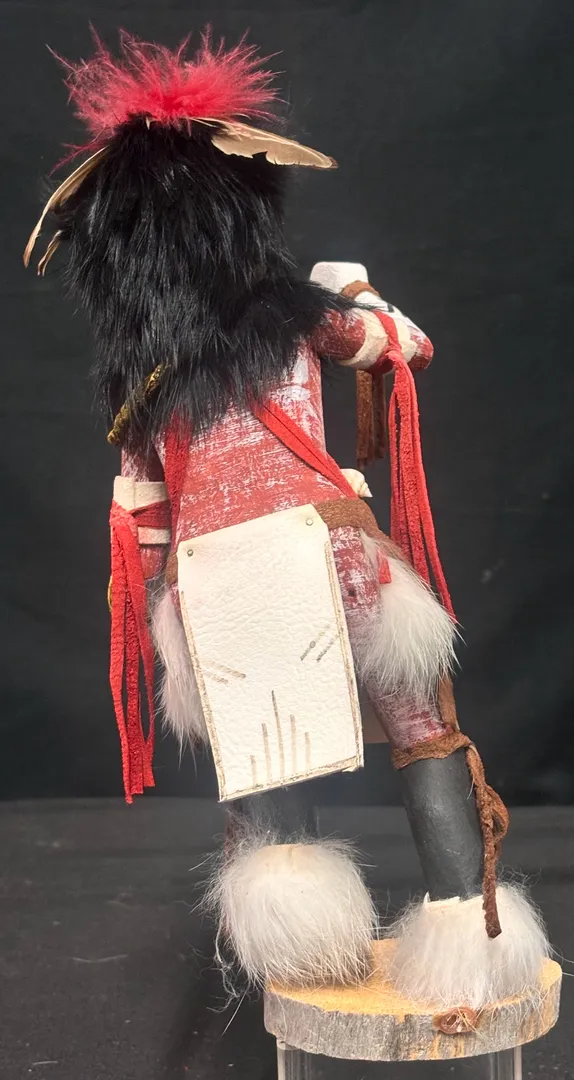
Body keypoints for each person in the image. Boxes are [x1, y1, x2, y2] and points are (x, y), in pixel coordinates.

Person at [25, 30, 548, 1009]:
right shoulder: (306, 316)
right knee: (421, 728)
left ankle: (304, 949)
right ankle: (464, 934)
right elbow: (405, 347)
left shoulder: (142, 393)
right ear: (237, 212)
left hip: (218, 590)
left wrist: (166, 621)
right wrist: (356, 289)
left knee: (267, 749)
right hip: (330, 553)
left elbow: (142, 529)